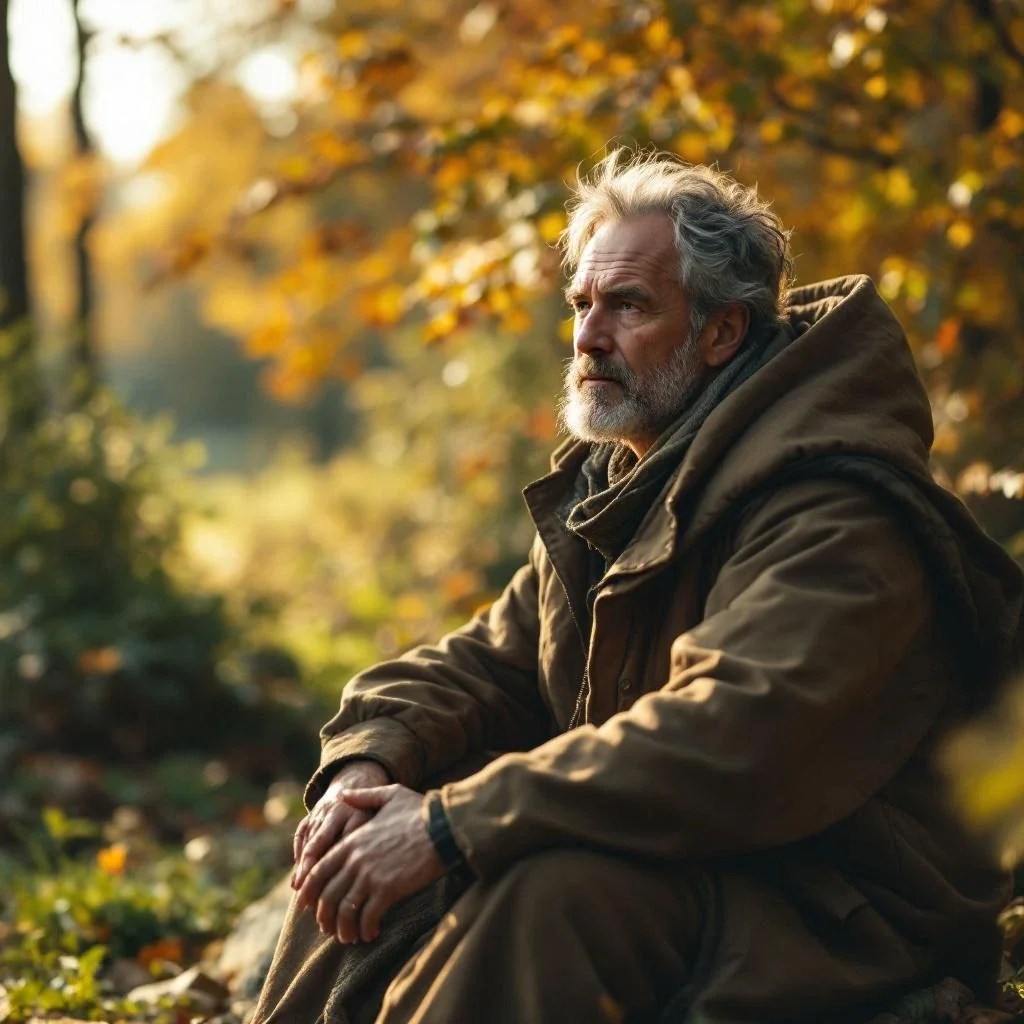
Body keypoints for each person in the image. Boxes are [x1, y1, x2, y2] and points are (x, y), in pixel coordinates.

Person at [251, 148, 1024, 1024]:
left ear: (722, 332)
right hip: (690, 852)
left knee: (547, 895)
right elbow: (492, 661)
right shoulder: (625, 483)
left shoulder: (836, 505)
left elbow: (736, 735)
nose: (588, 337)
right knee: (357, 839)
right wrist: (367, 762)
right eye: (582, 304)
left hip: (839, 905)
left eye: (628, 305)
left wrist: (450, 824)